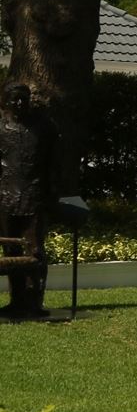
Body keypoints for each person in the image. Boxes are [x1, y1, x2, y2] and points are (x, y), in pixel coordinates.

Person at [0, 81, 53, 319]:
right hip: (6, 199)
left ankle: (34, 302)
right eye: (15, 99)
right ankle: (16, 300)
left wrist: (51, 193)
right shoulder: (0, 127)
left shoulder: (43, 127)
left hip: (35, 198)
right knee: (10, 252)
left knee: (36, 251)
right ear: (5, 101)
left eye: (24, 98)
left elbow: (55, 163)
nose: (19, 103)